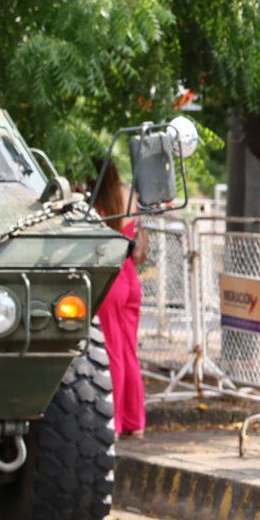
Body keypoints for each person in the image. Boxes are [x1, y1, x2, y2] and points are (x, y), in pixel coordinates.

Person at [93, 162, 148, 437]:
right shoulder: (129, 195)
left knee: (111, 351)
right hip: (130, 277)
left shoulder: (96, 203)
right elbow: (139, 246)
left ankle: (112, 421)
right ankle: (134, 421)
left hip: (110, 277)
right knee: (128, 352)